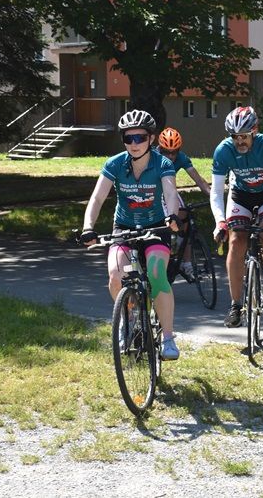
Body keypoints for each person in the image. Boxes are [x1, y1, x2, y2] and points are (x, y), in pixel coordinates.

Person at [79, 110, 182, 360]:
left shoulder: (163, 164)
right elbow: (98, 197)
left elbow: (170, 193)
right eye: (129, 138)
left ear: (151, 138)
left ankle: (168, 338)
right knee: (115, 277)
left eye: (140, 138)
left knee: (157, 274)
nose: (134, 144)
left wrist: (173, 216)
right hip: (123, 227)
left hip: (156, 226)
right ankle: (128, 319)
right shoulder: (115, 164)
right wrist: (87, 227)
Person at [210, 106, 263, 328]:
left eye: (244, 136)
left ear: (254, 132)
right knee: (236, 240)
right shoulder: (223, 151)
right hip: (240, 195)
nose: (239, 142)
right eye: (235, 137)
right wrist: (220, 222)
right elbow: (217, 191)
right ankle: (236, 305)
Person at [156, 127, 211, 280]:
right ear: (160, 148)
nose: (171, 155)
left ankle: (185, 261)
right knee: (161, 222)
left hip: (171, 191)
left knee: (185, 215)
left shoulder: (181, 157)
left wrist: (214, 198)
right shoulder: (152, 156)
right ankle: (166, 246)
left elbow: (199, 180)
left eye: (174, 151)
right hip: (154, 192)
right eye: (166, 151)